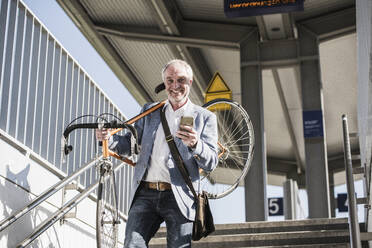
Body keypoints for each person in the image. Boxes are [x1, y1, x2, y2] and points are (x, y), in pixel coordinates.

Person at [96, 59, 218, 248]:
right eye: (169, 81)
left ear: (190, 82)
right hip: (145, 192)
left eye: (181, 80)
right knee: (131, 245)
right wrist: (108, 139)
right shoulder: (150, 111)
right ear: (164, 83)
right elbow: (130, 145)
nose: (175, 86)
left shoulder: (204, 117)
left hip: (179, 196)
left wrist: (195, 144)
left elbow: (211, 162)